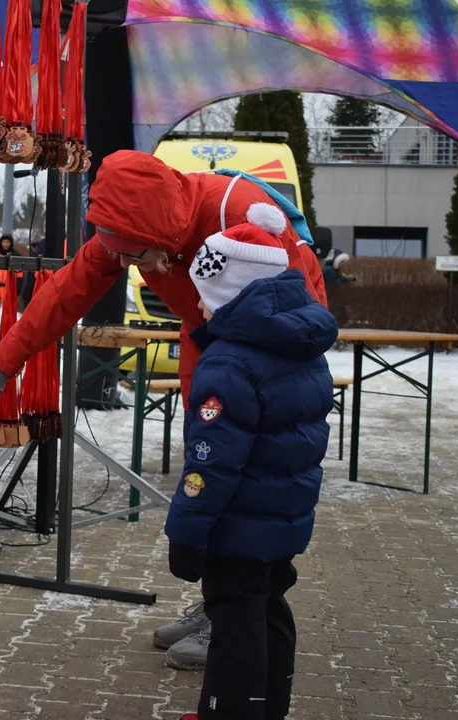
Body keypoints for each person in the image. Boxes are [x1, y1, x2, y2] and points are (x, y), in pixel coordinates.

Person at [0, 150, 328, 664]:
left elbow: (302, 309)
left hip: (270, 351)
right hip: (209, 339)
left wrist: (265, 393)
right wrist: (0, 365)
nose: (126, 268)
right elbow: (66, 292)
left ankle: (240, 619)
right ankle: (221, 604)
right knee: (210, 465)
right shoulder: (128, 229)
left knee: (254, 480)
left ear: (164, 236)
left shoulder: (240, 213)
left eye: (135, 257)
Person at [165, 207, 336, 720]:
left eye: (205, 290)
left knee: (234, 622)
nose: (196, 300)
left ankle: (229, 710)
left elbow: (209, 466)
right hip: (282, 512)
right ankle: (268, 707)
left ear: (229, 294)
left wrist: (187, 534)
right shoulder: (298, 341)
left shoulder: (229, 362)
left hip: (237, 522)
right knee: (269, 609)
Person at [0, 234, 16, 310]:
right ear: (1, 243)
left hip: (8, 287)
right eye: (4, 242)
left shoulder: (16, 255)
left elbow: (20, 275)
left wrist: (17, 290)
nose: (6, 244)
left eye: (8, 242)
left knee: (9, 310)